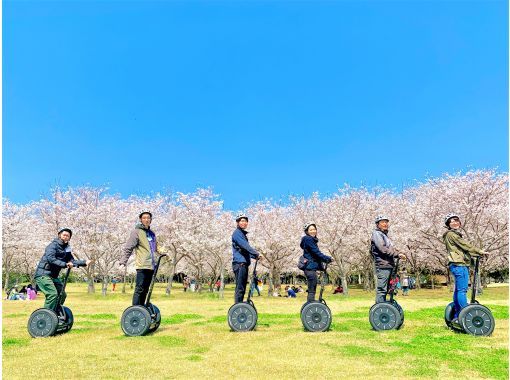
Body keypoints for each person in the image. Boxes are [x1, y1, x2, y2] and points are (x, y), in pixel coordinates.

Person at [443, 213, 490, 322]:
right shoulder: (452, 235)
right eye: (452, 221)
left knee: (458, 291)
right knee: (462, 291)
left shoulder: (450, 235)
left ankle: (458, 315)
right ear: (448, 224)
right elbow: (464, 245)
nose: (455, 223)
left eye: (456, 220)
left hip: (456, 264)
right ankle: (465, 315)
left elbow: (462, 250)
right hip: (459, 264)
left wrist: (475, 255)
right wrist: (479, 251)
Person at [34, 228, 91, 310]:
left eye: (68, 236)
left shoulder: (67, 249)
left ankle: (56, 313)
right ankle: (47, 315)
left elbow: (71, 261)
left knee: (62, 294)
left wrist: (84, 262)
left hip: (53, 276)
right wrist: (65, 264)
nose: (66, 237)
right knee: (52, 294)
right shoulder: (52, 246)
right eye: (64, 235)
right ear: (59, 235)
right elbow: (51, 259)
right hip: (43, 274)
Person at [120, 210, 162, 306]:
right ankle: (135, 310)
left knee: (146, 289)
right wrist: (123, 262)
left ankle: (142, 309)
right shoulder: (136, 232)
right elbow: (129, 247)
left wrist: (164, 252)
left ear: (151, 220)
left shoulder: (152, 233)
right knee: (139, 289)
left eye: (148, 218)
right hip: (142, 265)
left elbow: (156, 248)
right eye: (144, 218)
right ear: (140, 220)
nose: (146, 220)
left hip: (151, 266)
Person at [370, 216, 406, 303]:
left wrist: (398, 253)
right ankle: (379, 309)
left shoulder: (384, 235)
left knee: (388, 289)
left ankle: (384, 307)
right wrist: (397, 254)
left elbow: (389, 249)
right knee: (382, 289)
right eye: (382, 222)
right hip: (383, 265)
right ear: (378, 224)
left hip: (388, 265)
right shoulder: (377, 234)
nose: (385, 224)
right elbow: (382, 249)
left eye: (386, 222)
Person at [300, 223, 332, 303]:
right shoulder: (308, 239)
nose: (313, 231)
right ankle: (311, 306)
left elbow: (314, 255)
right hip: (310, 268)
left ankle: (310, 305)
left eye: (314, 229)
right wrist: (327, 258)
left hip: (310, 268)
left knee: (312, 287)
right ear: (307, 231)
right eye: (311, 230)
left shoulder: (309, 240)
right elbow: (316, 252)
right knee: (312, 288)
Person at [232, 213, 260, 303]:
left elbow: (244, 250)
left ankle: (240, 305)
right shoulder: (237, 233)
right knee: (240, 287)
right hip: (240, 263)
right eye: (242, 221)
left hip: (243, 263)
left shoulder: (242, 234)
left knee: (243, 287)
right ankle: (237, 307)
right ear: (238, 222)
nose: (244, 223)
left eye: (245, 221)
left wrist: (254, 256)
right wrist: (255, 253)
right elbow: (244, 246)